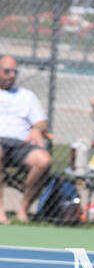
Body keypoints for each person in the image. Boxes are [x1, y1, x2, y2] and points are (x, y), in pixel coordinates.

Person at [0, 55, 52, 224]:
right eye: (7, 71)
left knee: (43, 160)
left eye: (15, 72)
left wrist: (37, 129)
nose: (11, 75)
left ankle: (23, 208)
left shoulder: (26, 96)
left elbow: (41, 123)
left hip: (21, 145)